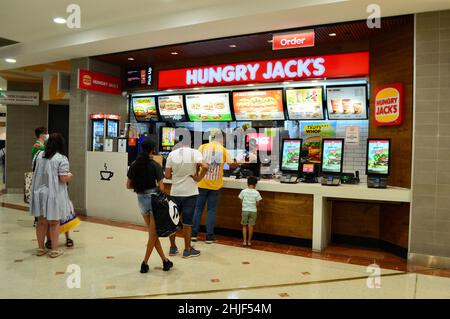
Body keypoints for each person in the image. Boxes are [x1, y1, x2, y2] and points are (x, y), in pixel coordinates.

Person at [127, 138, 173, 273]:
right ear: (152, 149)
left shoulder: (134, 164)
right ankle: (144, 263)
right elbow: (162, 187)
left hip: (141, 200)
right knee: (152, 234)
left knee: (153, 234)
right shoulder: (155, 165)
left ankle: (165, 261)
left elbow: (128, 185)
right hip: (153, 201)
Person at [30, 133, 73, 258]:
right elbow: (63, 178)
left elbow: (34, 170)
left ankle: (40, 249)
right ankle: (54, 250)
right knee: (54, 222)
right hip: (54, 194)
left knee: (41, 222)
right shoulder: (61, 158)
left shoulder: (39, 155)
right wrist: (70, 175)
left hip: (39, 193)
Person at [165, 136, 208, 258]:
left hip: (175, 192)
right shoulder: (195, 153)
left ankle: (173, 248)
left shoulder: (172, 154)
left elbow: (167, 175)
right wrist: (199, 178)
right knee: (187, 223)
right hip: (190, 193)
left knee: (173, 221)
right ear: (190, 142)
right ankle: (187, 250)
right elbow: (205, 166)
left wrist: (177, 175)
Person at [192, 129, 236, 243]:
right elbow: (231, 165)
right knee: (211, 210)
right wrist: (238, 162)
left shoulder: (202, 147)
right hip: (215, 185)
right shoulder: (223, 150)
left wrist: (197, 174)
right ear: (221, 138)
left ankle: (194, 234)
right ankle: (209, 236)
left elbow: (197, 162)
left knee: (198, 209)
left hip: (201, 183)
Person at [239, 176, 262, 247]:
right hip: (253, 211)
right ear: (255, 184)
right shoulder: (256, 193)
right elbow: (258, 203)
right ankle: (249, 242)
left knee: (244, 226)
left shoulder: (243, 191)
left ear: (247, 183)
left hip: (245, 210)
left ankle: (244, 241)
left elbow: (241, 200)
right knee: (251, 226)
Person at [32, 127, 47, 227]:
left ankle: (38, 217)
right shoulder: (39, 146)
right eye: (46, 133)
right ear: (42, 135)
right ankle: (38, 218)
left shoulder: (40, 145)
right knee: (39, 195)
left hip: (39, 174)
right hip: (39, 175)